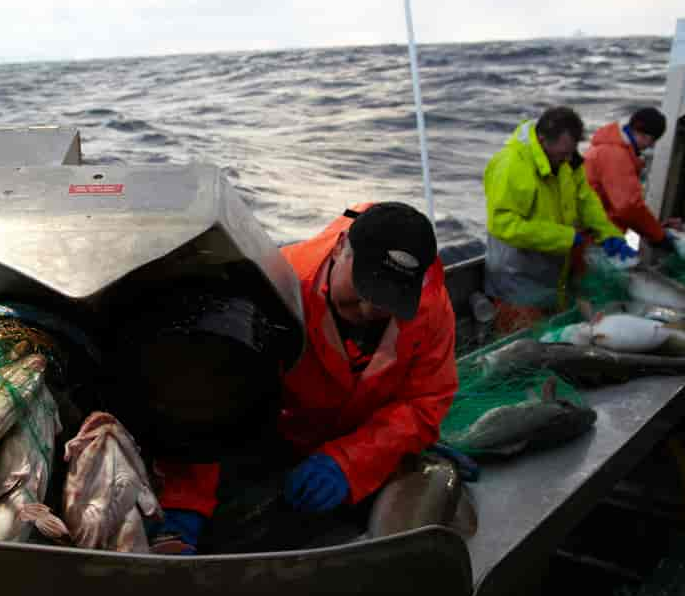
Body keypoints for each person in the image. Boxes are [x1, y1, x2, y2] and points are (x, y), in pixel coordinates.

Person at [151, 201, 459, 553]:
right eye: (362, 289)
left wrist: (350, 461)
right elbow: (213, 393)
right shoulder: (279, 283)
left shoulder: (430, 305)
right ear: (342, 246)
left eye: (389, 299)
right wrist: (184, 504)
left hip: (357, 444)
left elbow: (426, 401)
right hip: (274, 432)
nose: (368, 310)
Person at [483, 106, 635, 333]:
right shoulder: (511, 165)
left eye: (570, 152)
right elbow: (503, 225)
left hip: (553, 275)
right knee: (526, 347)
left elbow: (585, 200)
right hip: (516, 280)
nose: (567, 159)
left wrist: (609, 234)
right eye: (562, 154)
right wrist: (565, 237)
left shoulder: (567, 161)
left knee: (556, 339)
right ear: (542, 140)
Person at [583, 107, 684, 250]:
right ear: (648, 137)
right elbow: (628, 207)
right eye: (652, 141)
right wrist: (659, 236)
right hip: (593, 233)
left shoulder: (609, 148)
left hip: (598, 225)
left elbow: (621, 207)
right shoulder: (616, 155)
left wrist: (657, 226)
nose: (650, 146)